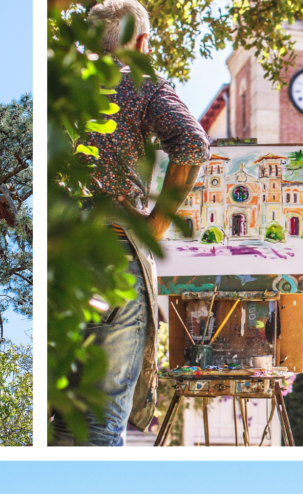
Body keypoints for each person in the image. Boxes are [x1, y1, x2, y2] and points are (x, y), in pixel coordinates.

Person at [51, 0, 210, 446]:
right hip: (109, 255)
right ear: (141, 42)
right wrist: (155, 226)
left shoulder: (57, 85)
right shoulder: (142, 84)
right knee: (95, 426)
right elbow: (193, 146)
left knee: (58, 422)